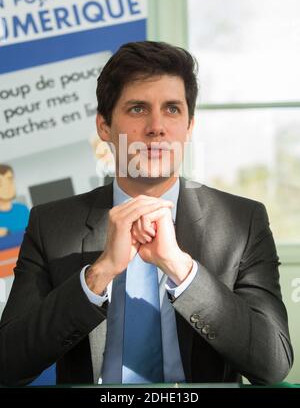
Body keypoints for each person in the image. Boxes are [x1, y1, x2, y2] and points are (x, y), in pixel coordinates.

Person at [0, 41, 293, 386]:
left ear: (189, 126)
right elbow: (8, 365)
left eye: (172, 109)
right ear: (104, 127)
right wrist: (99, 273)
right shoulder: (51, 224)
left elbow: (273, 364)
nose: (157, 126)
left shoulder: (243, 223)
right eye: (138, 109)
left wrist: (181, 269)